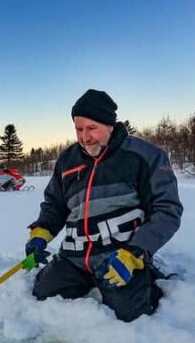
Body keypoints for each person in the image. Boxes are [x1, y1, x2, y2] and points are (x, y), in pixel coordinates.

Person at [26, 89, 183, 322]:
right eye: (79, 129)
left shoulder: (143, 156)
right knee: (43, 294)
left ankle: (146, 275)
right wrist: (40, 234)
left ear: (110, 125)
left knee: (130, 315)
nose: (85, 137)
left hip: (119, 256)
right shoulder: (68, 160)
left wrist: (135, 252)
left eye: (92, 128)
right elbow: (55, 205)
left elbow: (167, 210)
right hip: (75, 256)